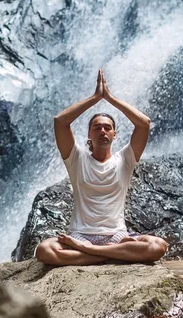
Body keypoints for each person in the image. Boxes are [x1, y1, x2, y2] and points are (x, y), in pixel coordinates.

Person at [35, 70, 168, 266]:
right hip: (80, 235)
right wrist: (96, 98)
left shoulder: (125, 159)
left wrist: (110, 98)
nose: (102, 131)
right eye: (97, 128)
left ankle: (91, 253)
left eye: (107, 127)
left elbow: (144, 124)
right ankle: (112, 255)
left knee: (158, 246)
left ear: (114, 134)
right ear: (89, 134)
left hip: (116, 236)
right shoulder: (76, 159)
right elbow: (60, 122)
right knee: (44, 250)